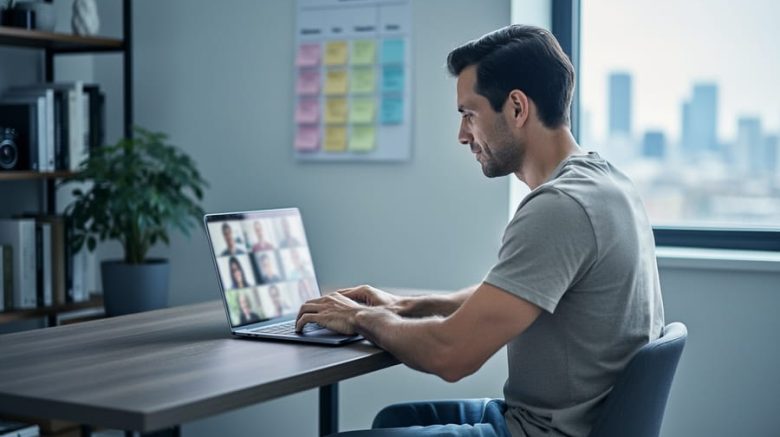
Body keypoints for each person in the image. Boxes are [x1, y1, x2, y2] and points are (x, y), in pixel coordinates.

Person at [296, 24, 664, 437]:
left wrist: (363, 319)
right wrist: (403, 307)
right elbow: (516, 293)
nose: (461, 135)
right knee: (392, 422)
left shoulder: (560, 208)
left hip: (541, 433)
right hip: (550, 420)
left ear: (517, 109)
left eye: (469, 115)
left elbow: (451, 353)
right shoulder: (606, 183)